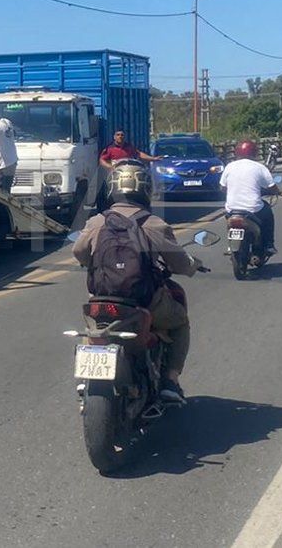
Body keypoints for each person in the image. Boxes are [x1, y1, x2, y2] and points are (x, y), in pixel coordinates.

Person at [73, 161, 203, 403]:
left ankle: (84, 378)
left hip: (102, 300)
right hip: (144, 303)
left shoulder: (96, 222)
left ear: (112, 189)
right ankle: (170, 381)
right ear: (145, 190)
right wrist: (193, 265)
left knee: (93, 327)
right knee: (180, 322)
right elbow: (179, 265)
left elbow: (79, 254)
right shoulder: (154, 224)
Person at [220, 140, 281, 255]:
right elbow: (272, 187)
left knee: (228, 219)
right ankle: (269, 244)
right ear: (254, 153)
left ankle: (230, 246)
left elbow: (222, 187)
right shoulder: (260, 167)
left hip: (232, 208)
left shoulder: (229, 166)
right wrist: (277, 192)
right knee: (267, 211)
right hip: (253, 209)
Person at [95, 130, 162, 211]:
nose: (120, 137)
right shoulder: (109, 148)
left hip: (129, 175)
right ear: (114, 137)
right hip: (115, 176)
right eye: (118, 135)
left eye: (122, 135)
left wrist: (153, 158)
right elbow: (102, 160)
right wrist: (110, 167)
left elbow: (139, 154)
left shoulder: (129, 147)